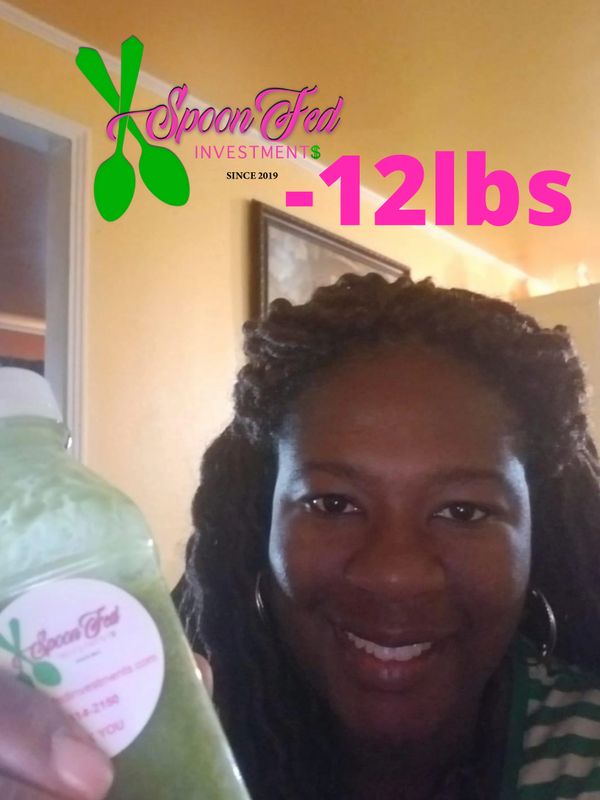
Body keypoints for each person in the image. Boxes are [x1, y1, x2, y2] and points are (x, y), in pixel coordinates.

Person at [2, 272, 600, 799]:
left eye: (464, 511)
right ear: (263, 521)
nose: (394, 573)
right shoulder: (144, 742)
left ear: (536, 534)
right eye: (333, 503)